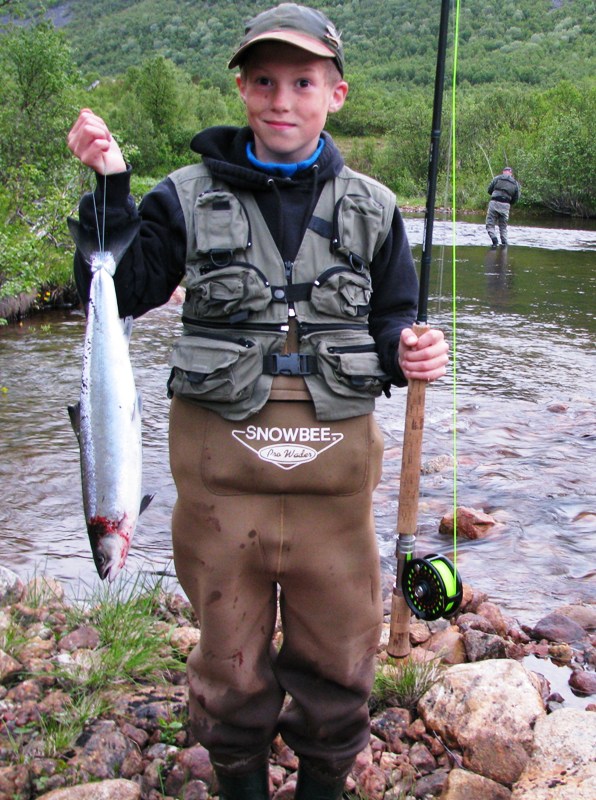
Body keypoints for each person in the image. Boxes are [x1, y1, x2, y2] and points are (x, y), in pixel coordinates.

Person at [67, 4, 449, 799]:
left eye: (302, 82)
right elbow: (120, 290)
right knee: (227, 656)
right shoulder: (180, 198)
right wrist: (109, 189)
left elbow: (391, 322)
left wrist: (412, 350)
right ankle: (238, 778)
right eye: (265, 81)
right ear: (242, 88)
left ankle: (321, 785)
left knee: (341, 657)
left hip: (334, 500)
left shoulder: (376, 209)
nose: (283, 99)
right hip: (218, 497)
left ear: (335, 94)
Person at [485, 165, 520, 247]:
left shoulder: (497, 178)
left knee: (490, 224)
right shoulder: (515, 183)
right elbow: (515, 198)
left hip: (494, 203)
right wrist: (508, 203)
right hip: (506, 206)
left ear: (503, 172)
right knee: (503, 227)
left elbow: (489, 190)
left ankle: (494, 240)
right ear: (511, 173)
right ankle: (504, 243)